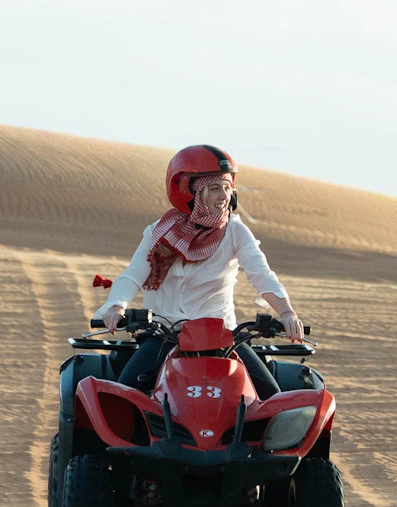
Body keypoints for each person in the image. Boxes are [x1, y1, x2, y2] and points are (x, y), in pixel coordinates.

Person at [93, 144, 301, 400]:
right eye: (214, 188)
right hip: (165, 333)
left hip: (222, 337)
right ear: (189, 193)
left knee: (272, 398)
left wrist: (287, 312)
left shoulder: (235, 231)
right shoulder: (159, 232)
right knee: (123, 398)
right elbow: (133, 274)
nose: (224, 196)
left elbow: (261, 273)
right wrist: (116, 306)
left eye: (227, 187)